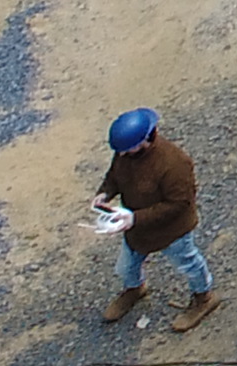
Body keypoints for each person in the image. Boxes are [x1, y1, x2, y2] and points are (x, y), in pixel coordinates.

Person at [96, 108, 213, 331]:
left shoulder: (175, 163)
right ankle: (134, 289)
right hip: (136, 228)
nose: (120, 155)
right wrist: (104, 193)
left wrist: (134, 218)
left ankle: (204, 298)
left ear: (144, 141)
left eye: (125, 150)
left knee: (189, 264)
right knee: (127, 265)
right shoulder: (125, 154)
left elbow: (179, 204)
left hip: (172, 231)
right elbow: (114, 176)